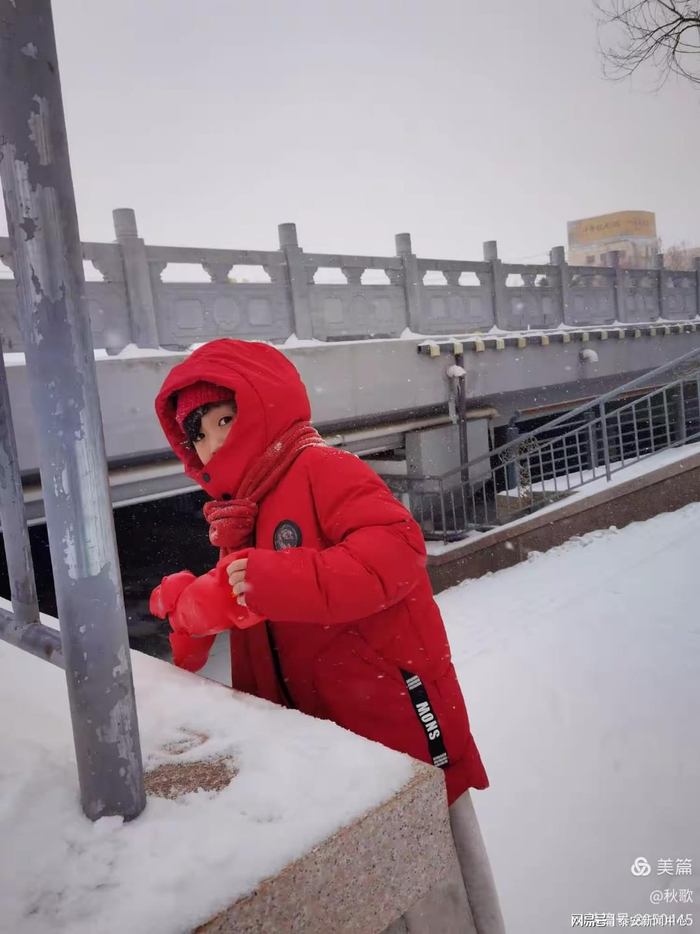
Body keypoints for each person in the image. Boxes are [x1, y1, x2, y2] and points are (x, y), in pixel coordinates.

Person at [150, 338, 505, 934]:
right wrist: (191, 611)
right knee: (372, 892)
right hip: (325, 746)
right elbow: (244, 600)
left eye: (224, 420)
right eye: (199, 435)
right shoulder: (242, 512)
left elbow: (395, 552)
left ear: (264, 407)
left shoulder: (321, 468)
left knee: (436, 890)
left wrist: (266, 581)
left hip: (393, 724)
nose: (212, 445)